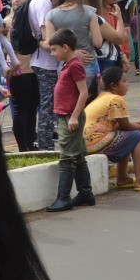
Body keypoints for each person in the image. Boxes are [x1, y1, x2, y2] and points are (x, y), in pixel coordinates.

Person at [85, 66, 140, 191]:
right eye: (124, 81)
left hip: (87, 144)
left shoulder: (100, 97)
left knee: (126, 136)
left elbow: (119, 125)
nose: (127, 84)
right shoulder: (115, 99)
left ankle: (123, 178)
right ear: (113, 85)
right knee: (136, 136)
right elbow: (126, 126)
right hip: (96, 143)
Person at [46, 29, 94, 212]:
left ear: (65, 47)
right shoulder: (68, 64)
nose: (52, 53)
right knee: (78, 155)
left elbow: (83, 92)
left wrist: (73, 116)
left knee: (67, 156)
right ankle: (85, 193)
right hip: (66, 115)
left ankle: (63, 198)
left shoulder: (74, 65)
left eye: (54, 49)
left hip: (70, 116)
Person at [28, 0, 65, 150]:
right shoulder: (43, 2)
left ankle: (45, 144)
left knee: (47, 105)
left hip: (40, 60)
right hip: (46, 62)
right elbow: (49, 40)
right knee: (48, 107)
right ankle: (46, 147)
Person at [44, 0, 103, 88]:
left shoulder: (51, 16)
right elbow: (98, 42)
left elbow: (50, 44)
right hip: (87, 62)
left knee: (69, 97)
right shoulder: (89, 12)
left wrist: (72, 53)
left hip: (65, 64)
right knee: (89, 96)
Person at [6, 0, 38, 151]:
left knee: (32, 109)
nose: (17, 0)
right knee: (22, 110)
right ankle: (22, 147)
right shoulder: (8, 21)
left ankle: (31, 142)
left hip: (35, 69)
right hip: (18, 71)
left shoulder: (32, 18)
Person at [82, 0, 126, 77]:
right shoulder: (97, 19)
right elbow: (119, 38)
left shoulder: (82, 18)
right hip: (104, 61)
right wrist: (119, 18)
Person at [95, 0, 130, 71]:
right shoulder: (97, 11)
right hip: (105, 59)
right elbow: (119, 38)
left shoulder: (114, 8)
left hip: (116, 54)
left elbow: (122, 36)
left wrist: (122, 54)